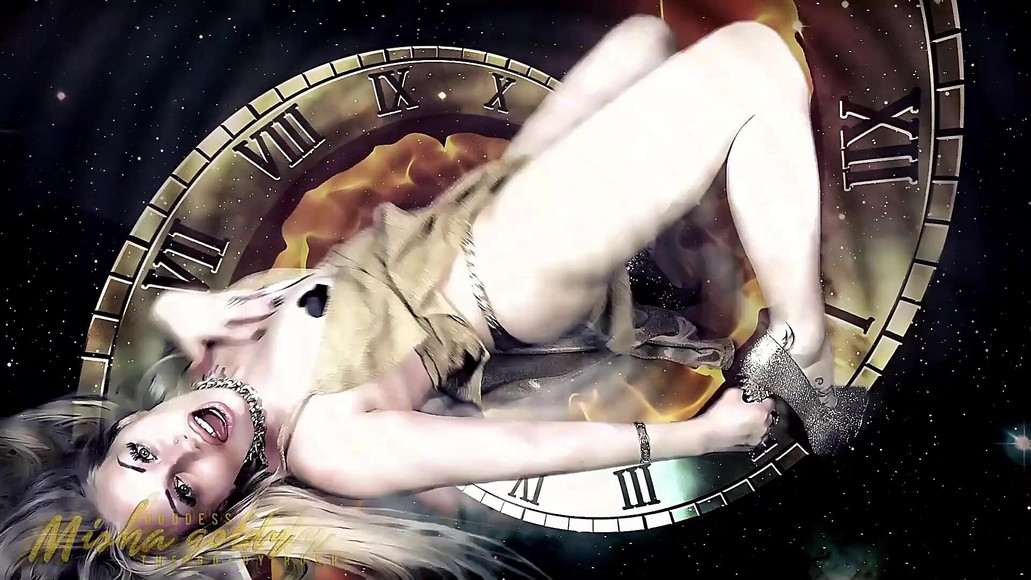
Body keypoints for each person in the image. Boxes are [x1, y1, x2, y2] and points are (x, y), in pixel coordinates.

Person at [0, 15, 868, 580]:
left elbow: (232, 312)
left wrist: (176, 307)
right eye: (186, 493)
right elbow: (526, 449)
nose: (184, 454)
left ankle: (678, 212)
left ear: (128, 426)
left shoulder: (208, 350)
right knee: (752, 66)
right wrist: (697, 436)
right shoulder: (327, 447)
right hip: (504, 268)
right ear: (223, 505)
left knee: (644, 37)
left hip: (476, 205)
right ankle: (799, 347)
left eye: (143, 455)